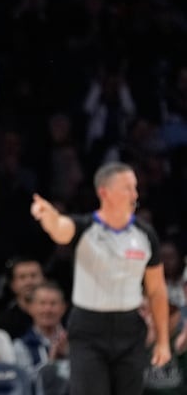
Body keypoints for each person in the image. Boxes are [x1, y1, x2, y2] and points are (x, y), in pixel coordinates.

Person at [30, 161, 172, 395]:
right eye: (127, 188)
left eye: (135, 187)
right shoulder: (85, 228)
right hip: (89, 329)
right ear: (104, 192)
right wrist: (49, 217)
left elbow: (157, 290)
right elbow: (61, 229)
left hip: (130, 328)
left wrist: (163, 340)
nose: (134, 194)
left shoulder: (146, 234)